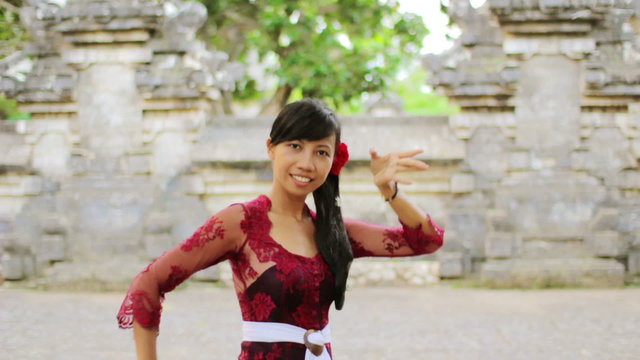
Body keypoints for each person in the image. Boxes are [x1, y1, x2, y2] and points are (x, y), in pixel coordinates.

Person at [117, 98, 445, 359]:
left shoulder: (332, 231)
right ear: (271, 147)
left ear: (333, 162)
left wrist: (390, 190)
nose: (306, 163)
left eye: (321, 152)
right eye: (295, 146)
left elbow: (426, 241)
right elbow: (150, 282)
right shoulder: (240, 222)